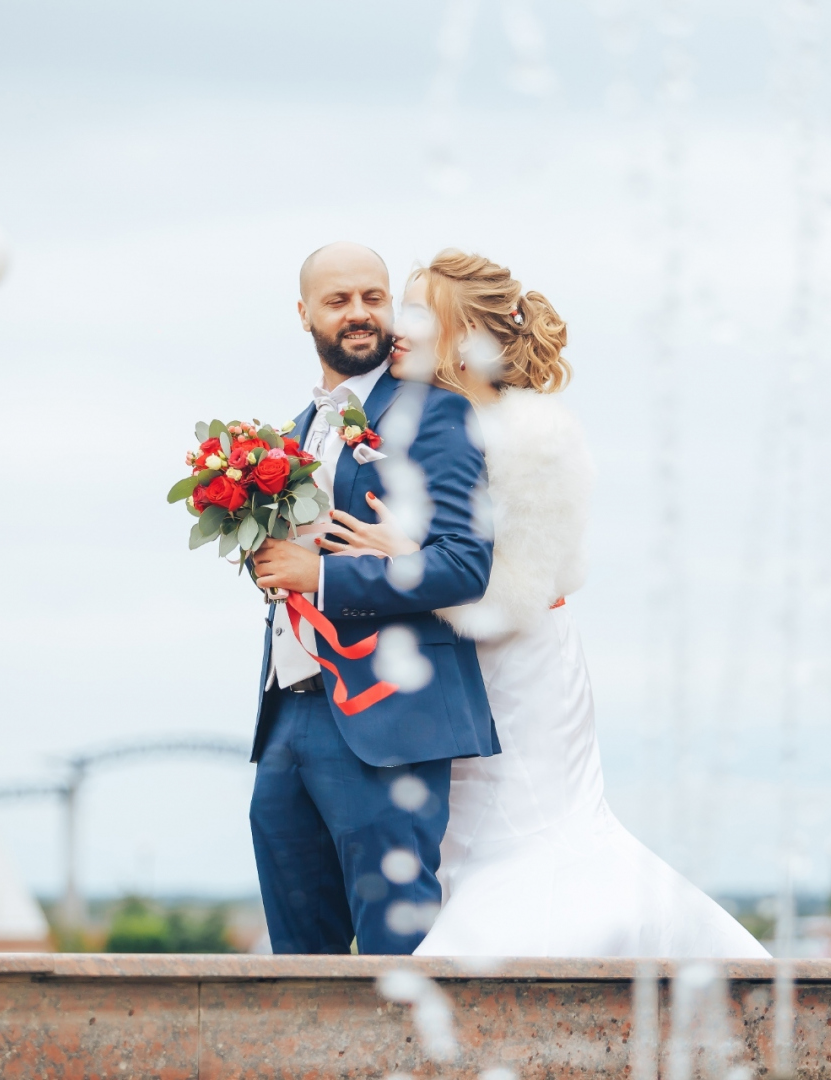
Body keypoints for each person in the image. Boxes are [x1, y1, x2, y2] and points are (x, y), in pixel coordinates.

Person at [319, 249, 768, 957]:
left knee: (527, 836)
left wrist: (403, 557)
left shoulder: (534, 436)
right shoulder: (428, 427)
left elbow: (515, 592)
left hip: (521, 670)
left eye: (418, 314)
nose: (396, 330)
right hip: (456, 670)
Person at [246, 242, 499, 955]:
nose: (359, 314)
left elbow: (463, 565)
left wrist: (318, 577)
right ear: (304, 315)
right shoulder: (296, 431)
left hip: (387, 729)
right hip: (287, 718)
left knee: (398, 960)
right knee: (296, 966)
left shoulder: (439, 416)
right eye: (337, 300)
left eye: (372, 297)